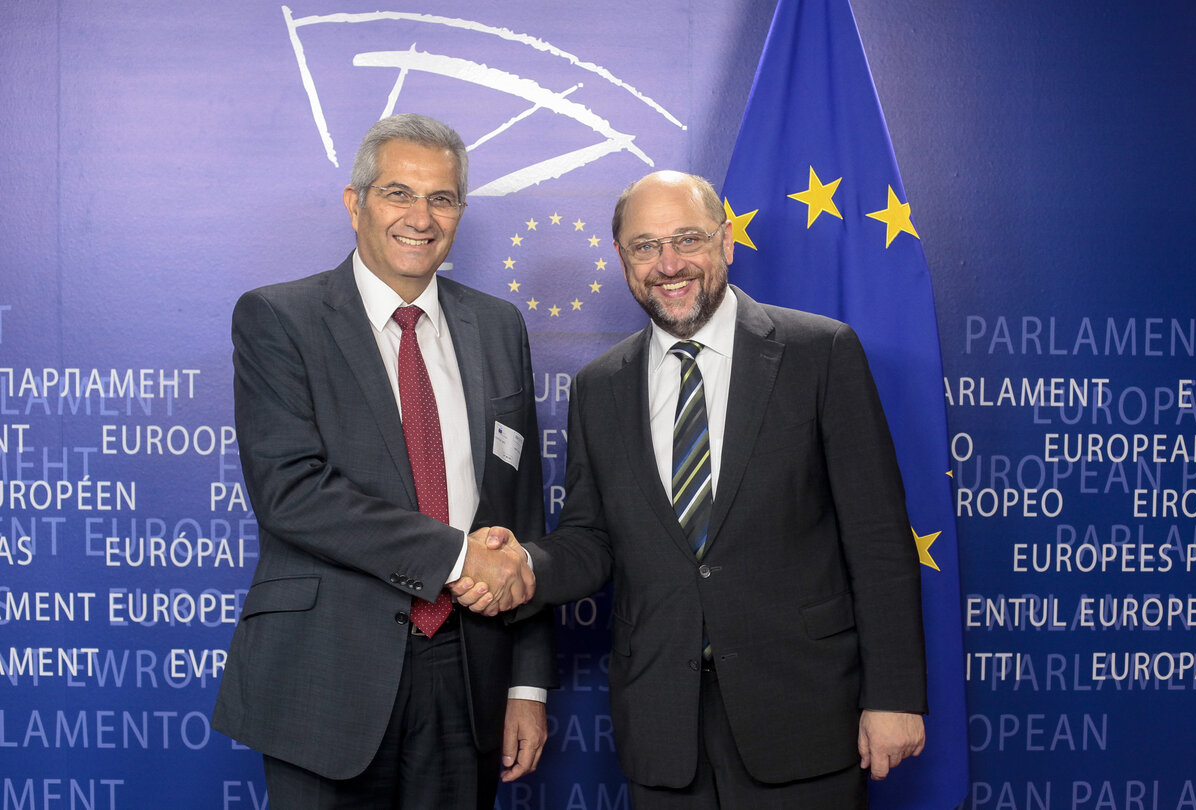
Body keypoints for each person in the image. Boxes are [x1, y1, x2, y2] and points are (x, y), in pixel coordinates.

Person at [455, 170, 927, 808]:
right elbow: (592, 539)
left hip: (802, 714)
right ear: (621, 259)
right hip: (662, 728)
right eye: (645, 246)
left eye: (687, 239)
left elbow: (877, 540)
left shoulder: (820, 353)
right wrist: (525, 565)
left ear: (726, 243)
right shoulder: (601, 386)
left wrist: (894, 697)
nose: (668, 264)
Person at [212, 113, 555, 810]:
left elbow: (519, 521)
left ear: (460, 210)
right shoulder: (280, 319)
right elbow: (292, 494)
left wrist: (526, 683)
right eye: (398, 193)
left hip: (468, 677)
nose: (420, 218)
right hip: (324, 675)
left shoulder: (497, 326)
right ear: (355, 203)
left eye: (442, 198)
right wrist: (458, 558)